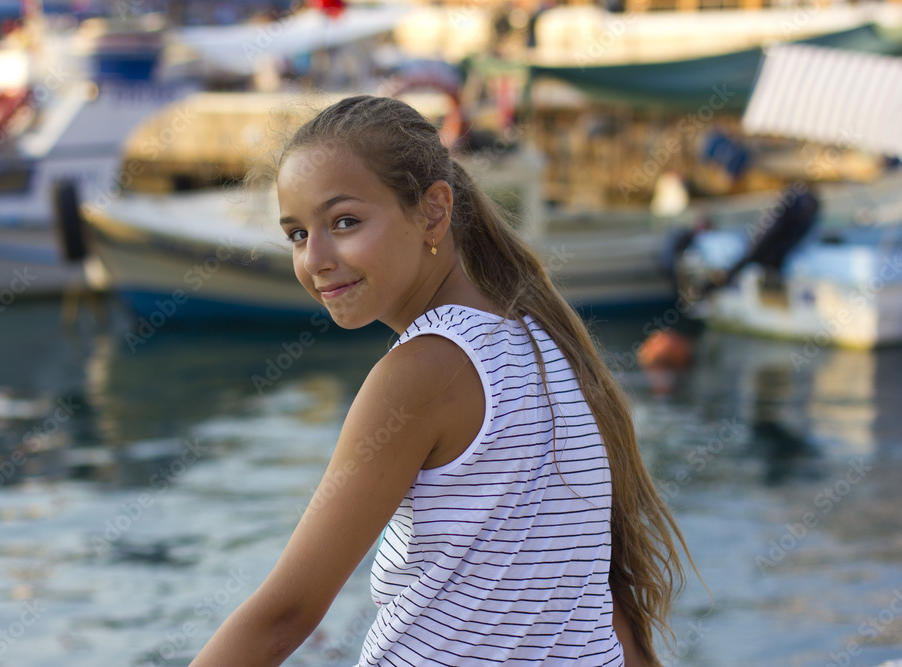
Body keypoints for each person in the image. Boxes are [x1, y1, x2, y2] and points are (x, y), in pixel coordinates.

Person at [190, 95, 696, 666]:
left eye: (345, 222)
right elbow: (595, 596)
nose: (317, 258)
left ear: (433, 212)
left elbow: (286, 616)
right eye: (297, 235)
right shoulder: (551, 346)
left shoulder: (419, 374)